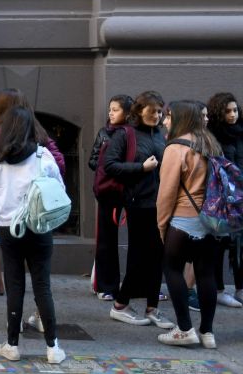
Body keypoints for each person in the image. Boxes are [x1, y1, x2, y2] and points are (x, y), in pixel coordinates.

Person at [0, 106, 66, 365]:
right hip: (40, 227)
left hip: (9, 229)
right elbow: (58, 190)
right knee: (43, 286)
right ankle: (52, 347)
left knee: (14, 285)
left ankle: (12, 344)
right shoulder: (43, 156)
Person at [103, 91, 174, 329]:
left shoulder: (160, 135)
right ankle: (120, 305)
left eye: (159, 111)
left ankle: (152, 308)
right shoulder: (126, 134)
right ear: (139, 110)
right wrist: (140, 168)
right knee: (138, 256)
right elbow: (109, 166)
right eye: (151, 110)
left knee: (157, 256)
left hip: (160, 203)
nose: (156, 115)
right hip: (137, 203)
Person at [157, 101, 224, 348]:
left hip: (183, 218)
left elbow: (166, 193)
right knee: (205, 273)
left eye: (168, 116)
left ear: (180, 118)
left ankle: (185, 328)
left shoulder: (176, 148)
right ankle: (207, 332)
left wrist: (162, 225)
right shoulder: (211, 143)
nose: (164, 121)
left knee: (172, 268)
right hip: (211, 221)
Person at [88, 94, 134, 301]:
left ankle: (137, 284)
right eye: (110, 109)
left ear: (127, 112)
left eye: (115, 109)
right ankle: (107, 285)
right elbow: (93, 160)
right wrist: (110, 167)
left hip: (133, 191)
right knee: (106, 239)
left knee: (140, 240)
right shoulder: (104, 133)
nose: (110, 113)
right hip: (110, 192)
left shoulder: (135, 134)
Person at [205, 93, 243, 307]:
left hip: (242, 197)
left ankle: (240, 288)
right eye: (228, 111)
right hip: (224, 198)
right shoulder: (213, 136)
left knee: (241, 245)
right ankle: (219, 290)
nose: (233, 115)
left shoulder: (241, 132)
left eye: (235, 110)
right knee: (221, 244)